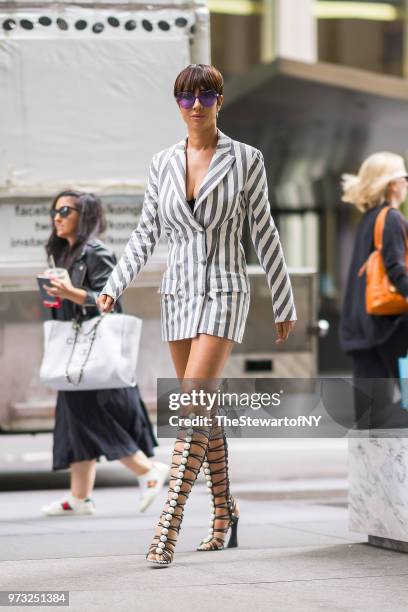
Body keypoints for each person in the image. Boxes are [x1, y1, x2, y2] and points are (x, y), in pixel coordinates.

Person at [97, 64, 296, 565]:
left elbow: (264, 231)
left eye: (206, 95)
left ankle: (167, 526)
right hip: (178, 294)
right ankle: (226, 513)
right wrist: (113, 284)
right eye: (186, 97)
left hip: (226, 290)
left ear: (220, 101)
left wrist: (283, 298)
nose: (196, 105)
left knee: (192, 406)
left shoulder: (247, 159)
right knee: (202, 409)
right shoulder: (162, 162)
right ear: (177, 104)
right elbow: (146, 232)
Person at [40, 190, 169, 516]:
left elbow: (107, 299)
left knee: (87, 416)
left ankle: (147, 470)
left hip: (94, 353)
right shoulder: (66, 254)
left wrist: (70, 293)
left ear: (83, 217)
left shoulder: (97, 253)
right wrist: (57, 298)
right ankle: (80, 497)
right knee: (73, 417)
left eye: (65, 211)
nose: (57, 217)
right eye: (55, 211)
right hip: (78, 352)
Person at [339, 152, 408, 428]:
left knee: (370, 415)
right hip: (386, 328)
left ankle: (372, 470)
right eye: (404, 177)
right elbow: (396, 269)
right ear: (392, 184)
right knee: (387, 413)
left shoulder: (368, 218)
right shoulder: (390, 217)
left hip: (362, 328)